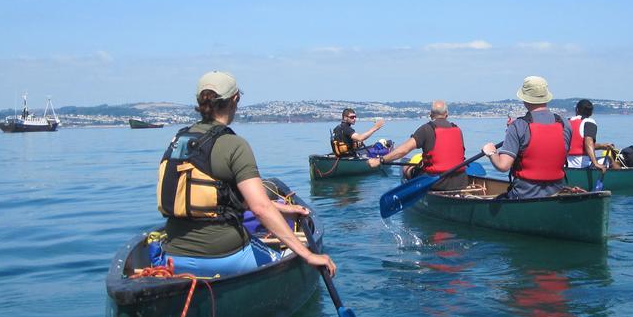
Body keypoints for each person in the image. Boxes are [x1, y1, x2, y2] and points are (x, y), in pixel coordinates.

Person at [158, 71, 336, 278]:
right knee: (282, 258)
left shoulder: (178, 140)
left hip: (173, 257)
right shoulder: (234, 145)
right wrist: (308, 255)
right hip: (225, 256)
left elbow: (221, 197)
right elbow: (261, 208)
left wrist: (284, 210)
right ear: (235, 100)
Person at [482, 76, 571, 199]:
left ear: (524, 99)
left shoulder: (518, 126)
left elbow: (503, 166)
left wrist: (491, 152)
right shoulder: (564, 123)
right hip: (556, 193)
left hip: (524, 195)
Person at [368, 100, 468, 191]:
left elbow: (403, 150)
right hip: (461, 181)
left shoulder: (427, 129)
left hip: (435, 183)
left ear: (431, 115)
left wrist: (380, 160)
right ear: (447, 114)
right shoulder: (458, 130)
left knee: (406, 167)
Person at [565, 99, 616, 171]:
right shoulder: (589, 122)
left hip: (565, 163)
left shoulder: (566, 121)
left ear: (576, 110)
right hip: (582, 164)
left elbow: (579, 145)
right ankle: (624, 177)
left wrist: (602, 146)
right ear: (591, 113)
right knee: (609, 159)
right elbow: (588, 142)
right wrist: (595, 163)